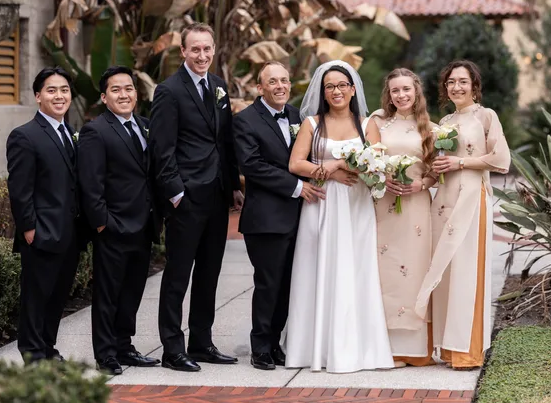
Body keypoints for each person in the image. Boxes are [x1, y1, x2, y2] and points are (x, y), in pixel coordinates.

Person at [285, 60, 394, 373]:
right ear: (323, 90)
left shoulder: (367, 124)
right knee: (316, 269)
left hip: (356, 206)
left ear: (352, 89)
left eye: (342, 85)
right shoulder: (311, 124)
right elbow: (295, 164)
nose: (336, 91)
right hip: (321, 204)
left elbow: (376, 163)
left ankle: (360, 348)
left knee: (357, 270)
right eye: (330, 86)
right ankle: (313, 348)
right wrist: (329, 172)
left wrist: (340, 166)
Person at [150, 23, 244, 372]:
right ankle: (172, 349)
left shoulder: (218, 86)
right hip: (187, 198)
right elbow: (162, 149)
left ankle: (201, 342)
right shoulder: (168, 91)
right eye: (196, 50)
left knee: (209, 272)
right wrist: (176, 193)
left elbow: (225, 141)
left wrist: (233, 185)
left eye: (207, 49)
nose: (202, 55)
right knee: (177, 275)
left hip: (217, 195)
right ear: (183, 53)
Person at [415, 60, 510, 369]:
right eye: (451, 82)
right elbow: (439, 163)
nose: (456, 87)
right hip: (443, 198)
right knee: (447, 270)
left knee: (468, 269)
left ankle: (468, 350)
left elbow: (500, 158)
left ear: (474, 86)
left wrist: (461, 163)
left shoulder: (486, 116)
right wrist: (433, 169)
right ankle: (448, 346)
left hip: (471, 196)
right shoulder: (444, 120)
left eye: (463, 82)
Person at [233, 61, 325, 370]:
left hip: (300, 217)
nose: (280, 86)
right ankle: (260, 346)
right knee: (268, 284)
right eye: (272, 81)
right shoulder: (245, 120)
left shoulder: (299, 116)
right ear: (260, 88)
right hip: (266, 219)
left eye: (284, 80)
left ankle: (275, 344)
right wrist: (298, 187)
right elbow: (252, 166)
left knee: (289, 284)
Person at [78, 66, 162, 375]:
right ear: (103, 97)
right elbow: (90, 183)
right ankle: (106, 354)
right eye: (116, 90)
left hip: (143, 226)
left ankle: (124, 346)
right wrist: (102, 223)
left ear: (136, 94)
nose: (123, 94)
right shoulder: (95, 130)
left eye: (128, 88)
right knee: (108, 294)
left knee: (132, 292)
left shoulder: (145, 126)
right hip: (112, 228)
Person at [6, 67, 82, 364]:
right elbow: (20, 189)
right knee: (36, 299)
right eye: (51, 90)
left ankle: (48, 349)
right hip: (41, 233)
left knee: (57, 297)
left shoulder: (71, 133)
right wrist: (28, 229)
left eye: (64, 90)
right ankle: (33, 354)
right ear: (38, 97)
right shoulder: (25, 136)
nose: (59, 96)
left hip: (70, 234)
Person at [370, 69, 437, 367]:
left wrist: (421, 184)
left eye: (406, 89)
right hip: (384, 205)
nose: (401, 95)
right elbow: (367, 158)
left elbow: (437, 170)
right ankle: (388, 348)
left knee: (416, 270)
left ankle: (417, 349)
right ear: (389, 93)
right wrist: (384, 176)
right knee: (385, 271)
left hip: (416, 208)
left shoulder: (430, 128)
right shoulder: (377, 122)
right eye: (395, 90)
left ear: (416, 91)